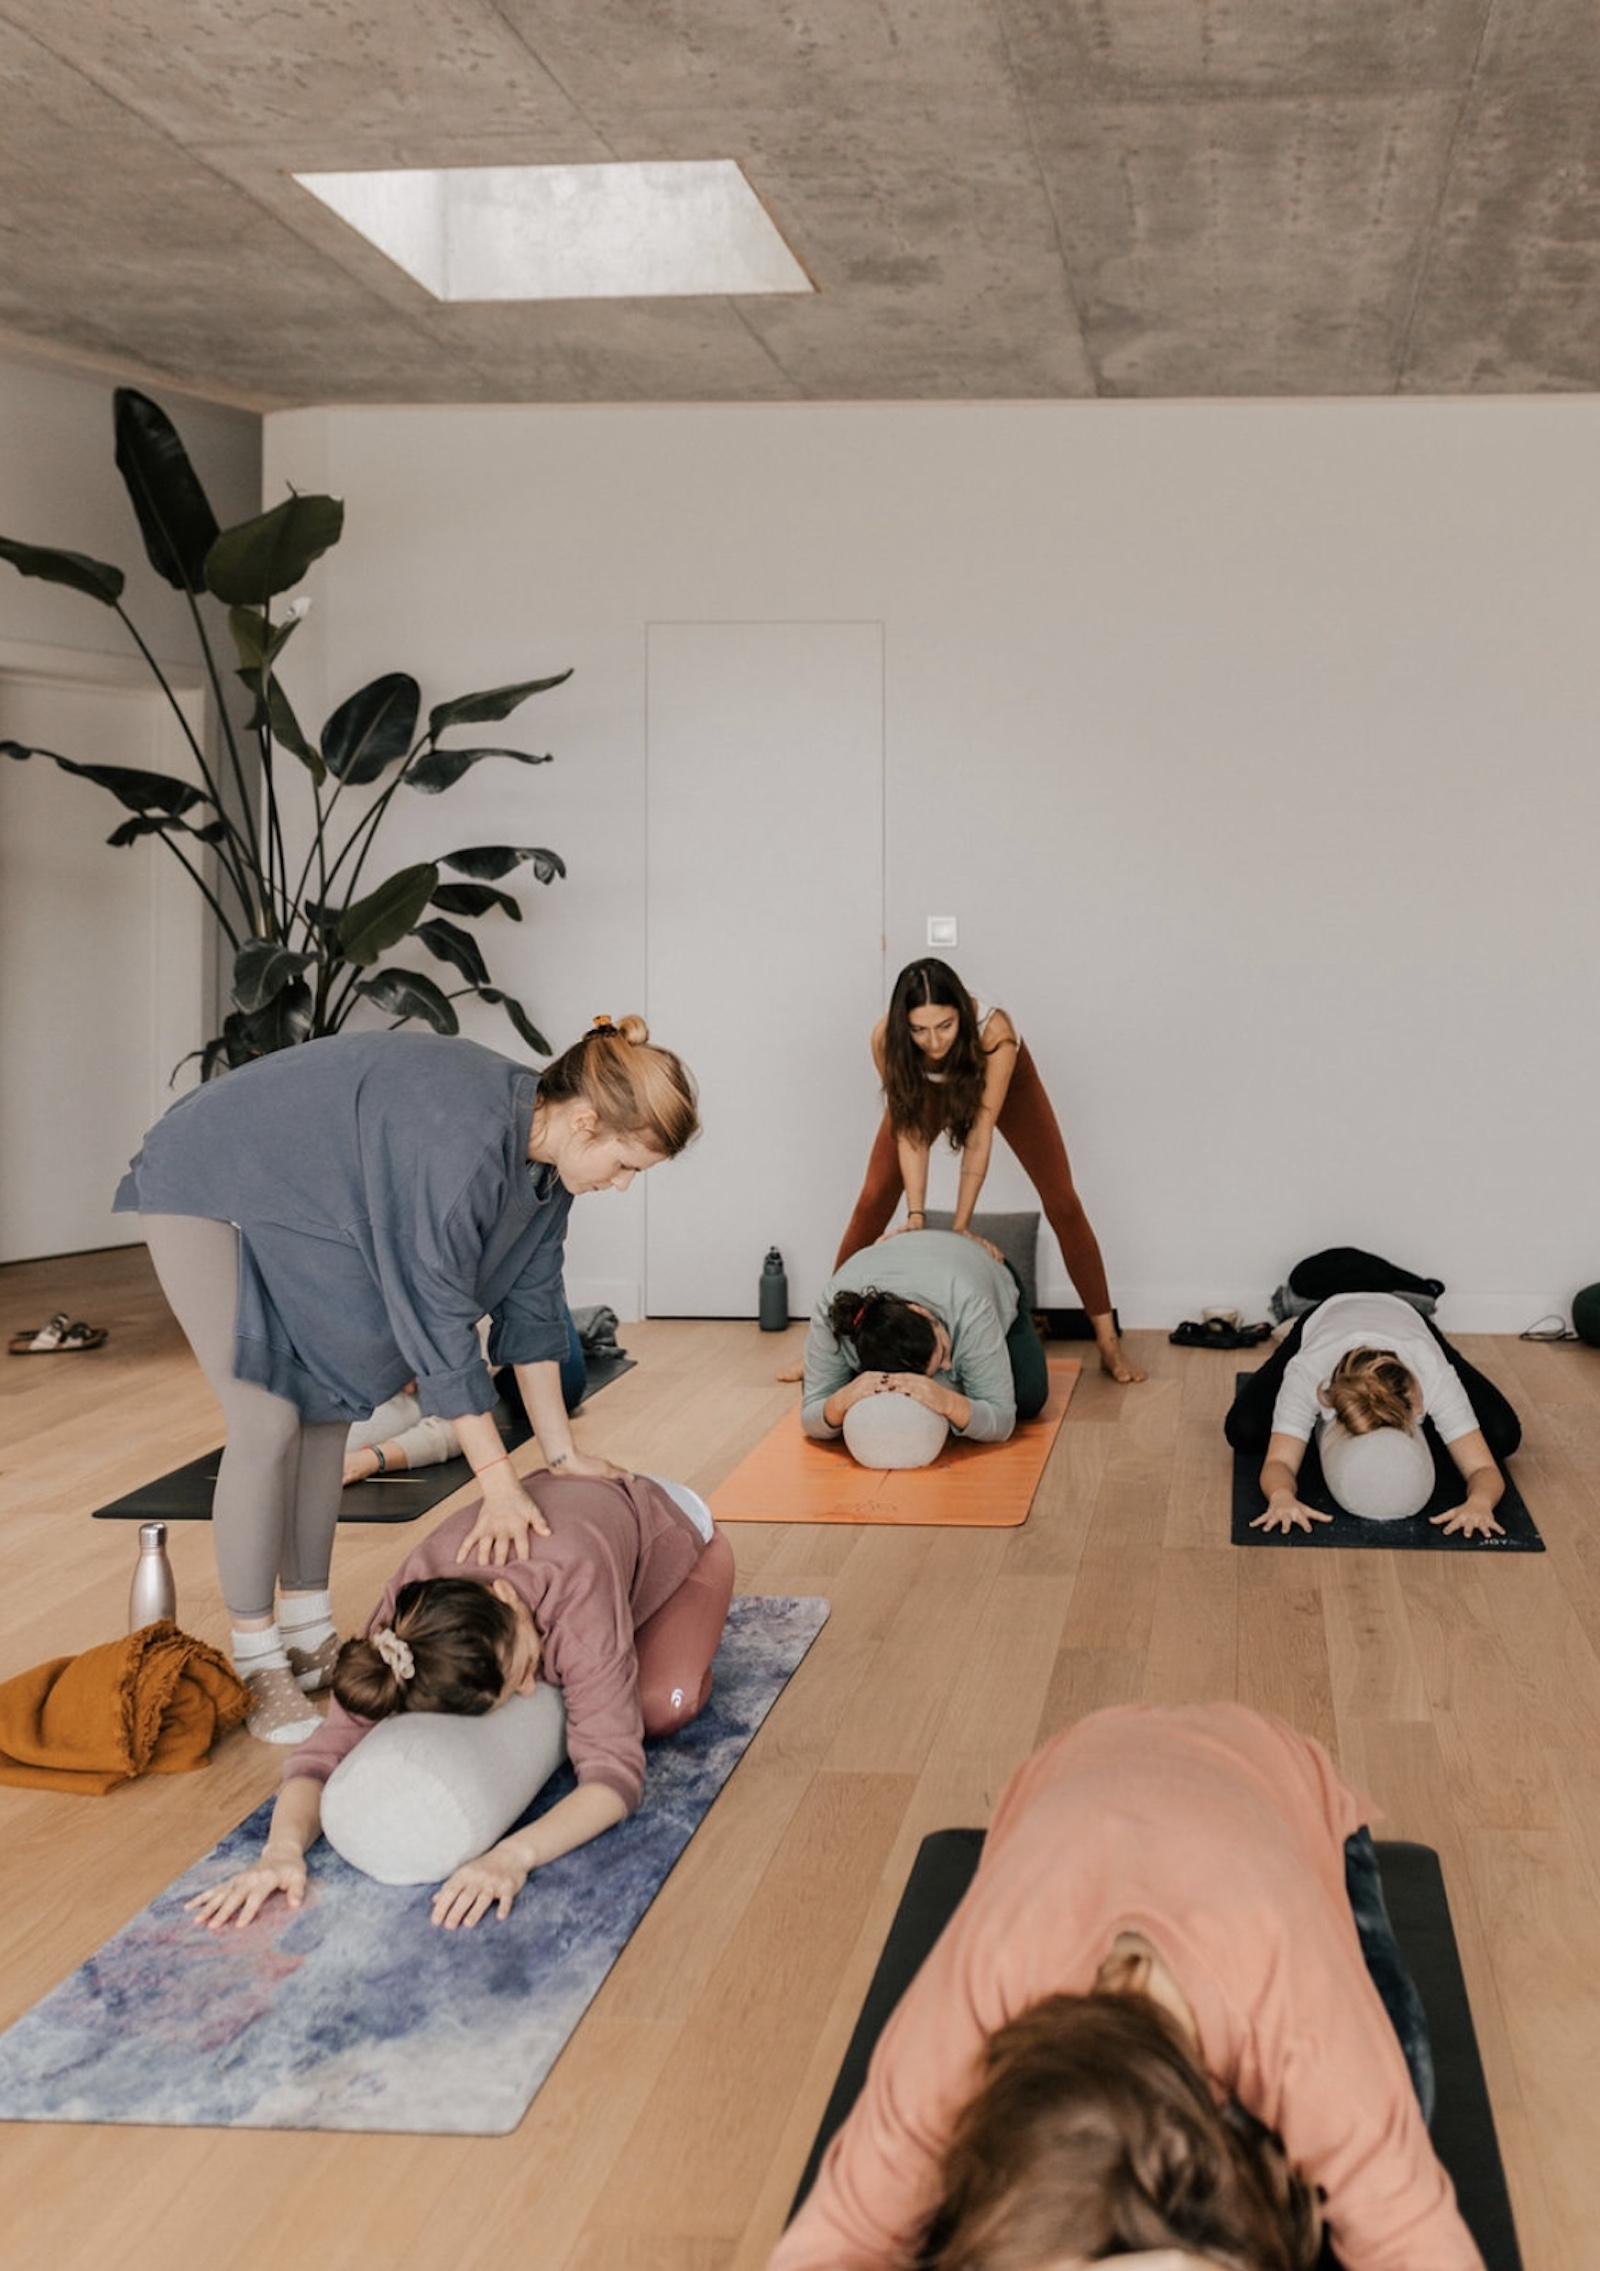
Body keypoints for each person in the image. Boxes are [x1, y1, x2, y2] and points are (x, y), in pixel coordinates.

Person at [114, 1015, 698, 1744]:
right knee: (266, 1420)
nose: (621, 1184)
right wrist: (496, 1483)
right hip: (208, 1177)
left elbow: (534, 1303)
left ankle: (307, 1630)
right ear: (586, 1121)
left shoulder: (545, 1173)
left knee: (328, 1409)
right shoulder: (461, 1149)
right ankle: (257, 1655)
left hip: (303, 1193)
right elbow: (440, 1328)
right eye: (625, 1165)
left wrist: (559, 1454)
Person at [773, 1702, 1483, 2271]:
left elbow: (1414, 2237)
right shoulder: (975, 1996)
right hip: (1080, 1761)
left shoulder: (1295, 2013)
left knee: (1398, 2101)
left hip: (1271, 1772)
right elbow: (833, 2238)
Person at [187, 1469, 735, 1932]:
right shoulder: (410, 1615)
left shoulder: (576, 1600)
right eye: (516, 1683)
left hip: (673, 1529)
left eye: (523, 1666)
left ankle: (665, 1626)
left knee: (660, 1705)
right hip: (572, 1516)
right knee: (582, 1680)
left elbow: (614, 1776)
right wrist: (281, 1850)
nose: (531, 1688)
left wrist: (512, 1857)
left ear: (502, 1596)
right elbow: (320, 1754)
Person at [834, 959, 1143, 1385]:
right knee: (872, 1198)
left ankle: (1108, 1341)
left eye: (944, 1026)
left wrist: (962, 1226)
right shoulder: (887, 1040)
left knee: (1062, 1201)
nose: (934, 1041)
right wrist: (916, 1217)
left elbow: (978, 1136)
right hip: (927, 1087)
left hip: (1001, 1084)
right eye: (919, 1030)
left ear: (961, 1011)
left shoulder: (995, 1033)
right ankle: (830, 1336)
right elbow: (911, 1135)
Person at [1225, 1288, 1521, 1538]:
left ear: (1416, 1407)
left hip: (1407, 1319)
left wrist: (1481, 1502)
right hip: (1325, 1317)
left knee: (1503, 1435)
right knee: (1244, 1429)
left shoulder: (1433, 1374)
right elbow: (1279, 1461)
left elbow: (1483, 1469)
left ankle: (1408, 1299)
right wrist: (1281, 1496)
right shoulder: (1308, 1373)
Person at [802, 1225, 1048, 1449]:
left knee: (1028, 1395)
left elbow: (1002, 1420)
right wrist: (842, 1399)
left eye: (942, 1350)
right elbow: (811, 1413)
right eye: (938, 1366)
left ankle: (1019, 1330)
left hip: (986, 1268)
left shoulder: (971, 1308)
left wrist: (949, 1402)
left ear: (921, 1311)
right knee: (839, 1394)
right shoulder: (831, 1312)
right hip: (904, 1257)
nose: (948, 1366)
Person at [342, 1310, 588, 1486]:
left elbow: (459, 1416)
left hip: (478, 1299)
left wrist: (375, 1459)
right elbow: (456, 1424)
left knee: (566, 1381)